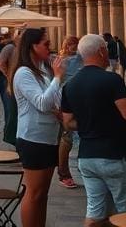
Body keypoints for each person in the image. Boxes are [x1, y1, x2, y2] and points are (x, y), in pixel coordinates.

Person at [60, 34, 126, 226]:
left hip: (87, 157)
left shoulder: (70, 85)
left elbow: (68, 122)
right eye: (106, 49)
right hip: (115, 155)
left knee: (95, 212)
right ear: (101, 51)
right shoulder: (111, 80)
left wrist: (91, 122)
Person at [11, 27, 65, 227]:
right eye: (46, 44)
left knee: (43, 193)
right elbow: (42, 102)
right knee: (33, 193)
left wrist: (59, 106)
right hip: (32, 138)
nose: (50, 49)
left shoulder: (42, 70)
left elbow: (54, 100)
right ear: (32, 47)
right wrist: (58, 77)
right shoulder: (23, 73)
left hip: (49, 136)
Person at [55, 35, 82, 189]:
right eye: (71, 44)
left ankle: (81, 167)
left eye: (76, 44)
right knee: (67, 138)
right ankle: (63, 173)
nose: (74, 46)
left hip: (82, 102)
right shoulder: (62, 60)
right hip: (66, 103)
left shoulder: (81, 58)